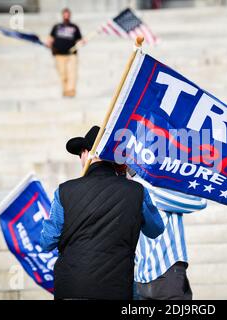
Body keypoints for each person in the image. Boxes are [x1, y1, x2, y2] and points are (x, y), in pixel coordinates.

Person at [40, 125, 164, 300]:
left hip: (71, 288)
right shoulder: (136, 191)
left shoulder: (64, 191)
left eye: (79, 155)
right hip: (117, 288)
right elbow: (156, 228)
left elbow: (47, 241)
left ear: (85, 152)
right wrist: (128, 179)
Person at [132, 173, 207, 300]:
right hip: (165, 273)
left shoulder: (130, 189)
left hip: (141, 276)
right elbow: (200, 201)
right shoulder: (150, 187)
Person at [47, 8, 84, 97]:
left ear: (70, 15)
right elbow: (50, 38)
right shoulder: (56, 27)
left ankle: (71, 91)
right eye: (65, 14)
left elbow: (79, 39)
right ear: (62, 15)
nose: (66, 16)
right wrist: (49, 44)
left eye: (68, 14)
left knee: (72, 73)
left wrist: (81, 42)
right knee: (63, 74)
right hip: (59, 54)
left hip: (72, 54)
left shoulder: (74, 27)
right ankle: (65, 91)